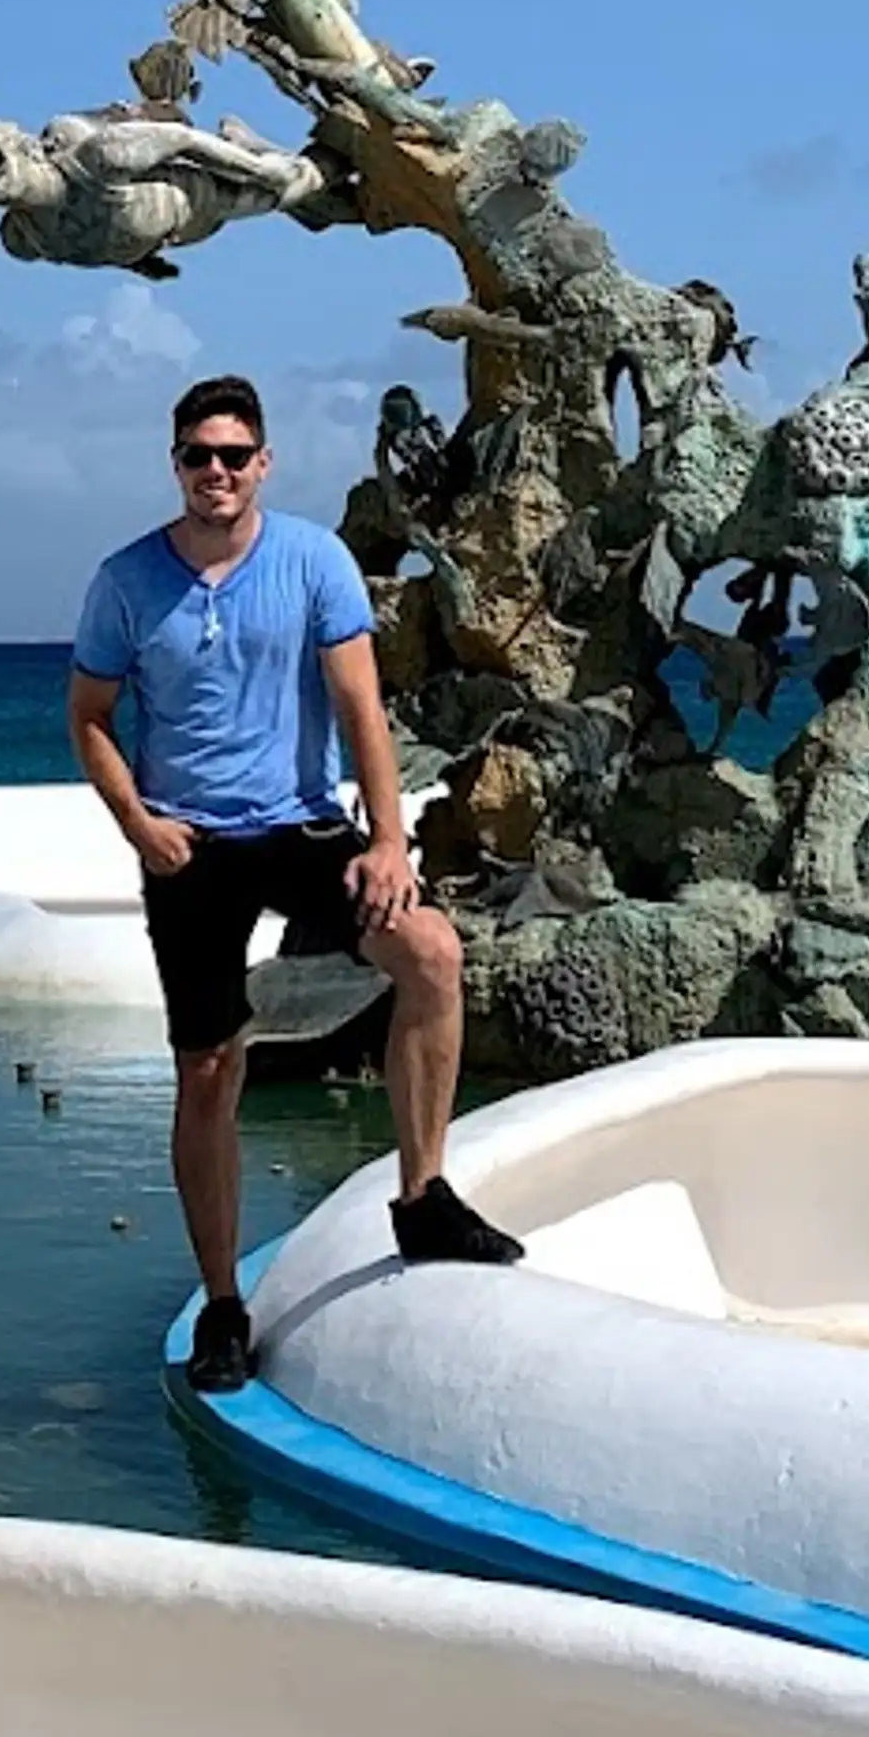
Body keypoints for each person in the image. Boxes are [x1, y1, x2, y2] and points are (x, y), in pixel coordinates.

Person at [69, 370, 522, 1398]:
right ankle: (225, 1304)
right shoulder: (127, 581)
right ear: (175, 463)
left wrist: (390, 841)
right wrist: (138, 822)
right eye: (199, 455)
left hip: (306, 828)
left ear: (262, 462)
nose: (217, 471)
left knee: (432, 954)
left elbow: (362, 706)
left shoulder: (315, 560)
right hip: (190, 844)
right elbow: (89, 716)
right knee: (208, 1071)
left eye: (235, 454)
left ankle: (423, 1193)